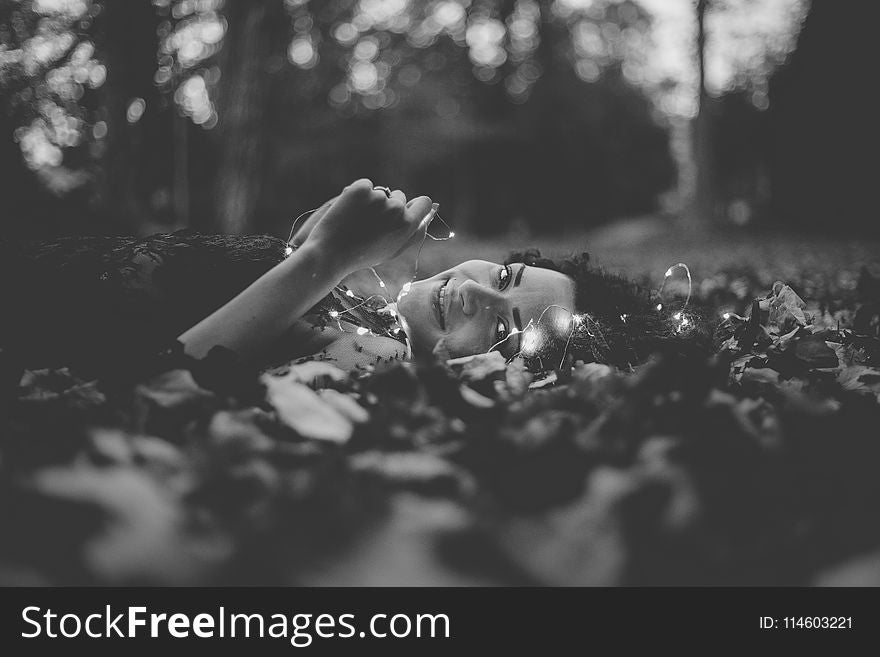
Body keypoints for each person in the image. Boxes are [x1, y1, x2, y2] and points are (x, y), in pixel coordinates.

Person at [0, 179, 700, 397]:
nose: (482, 293)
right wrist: (317, 258)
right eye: (509, 277)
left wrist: (323, 257)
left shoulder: (368, 361)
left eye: (510, 328)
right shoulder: (361, 311)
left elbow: (149, 391)